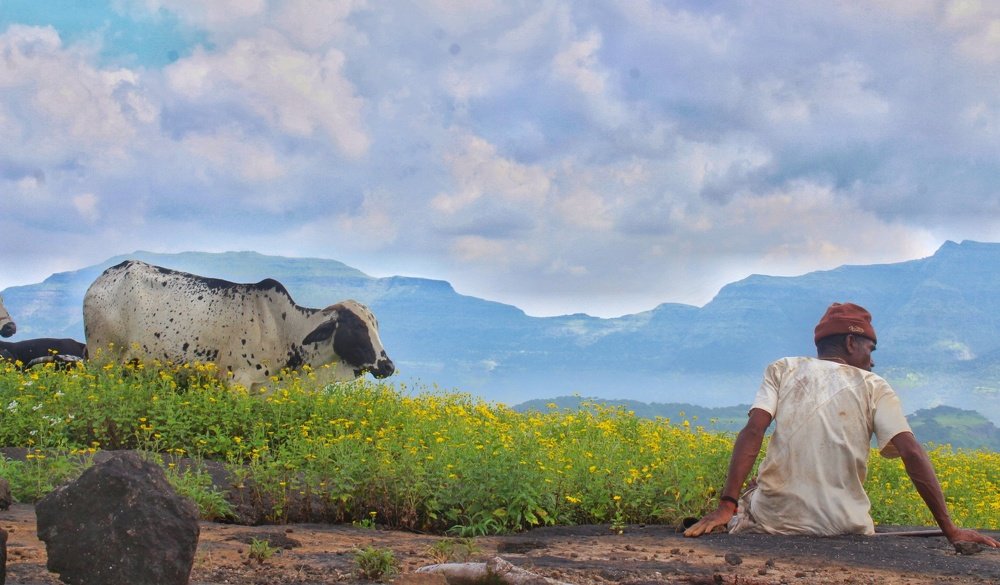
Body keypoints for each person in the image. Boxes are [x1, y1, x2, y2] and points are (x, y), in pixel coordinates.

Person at [683, 302, 999, 548]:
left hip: (775, 521)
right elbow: (911, 452)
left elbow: (754, 430)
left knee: (752, 492)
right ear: (851, 342)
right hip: (847, 525)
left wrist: (727, 505)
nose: (872, 361)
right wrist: (950, 529)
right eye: (869, 349)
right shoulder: (875, 385)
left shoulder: (784, 368)